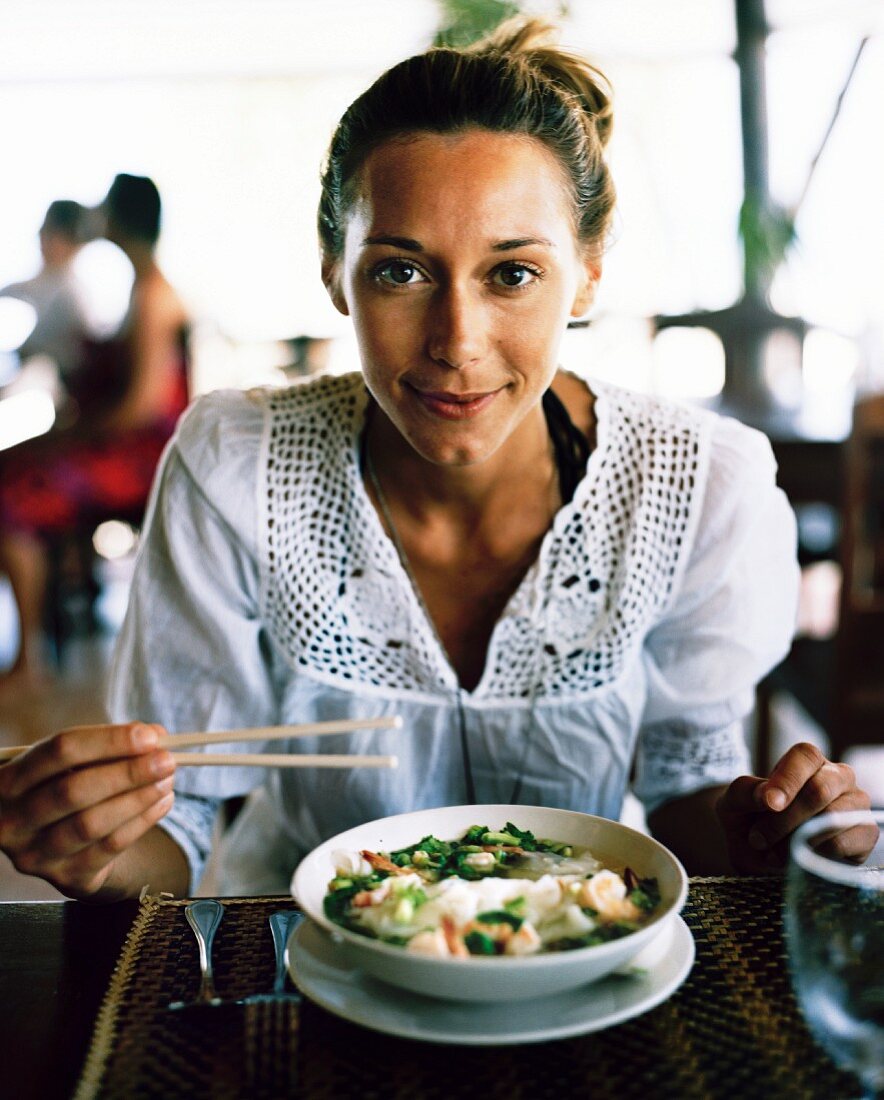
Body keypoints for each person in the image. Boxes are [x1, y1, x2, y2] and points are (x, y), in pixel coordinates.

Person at [0, 20, 874, 901]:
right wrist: (94, 851)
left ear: (590, 272)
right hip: (306, 955)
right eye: (401, 273)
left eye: (513, 274)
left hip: (583, 943)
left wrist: (764, 832)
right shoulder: (237, 466)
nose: (457, 342)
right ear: (335, 270)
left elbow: (689, 781)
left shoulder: (694, 485)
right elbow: (176, 825)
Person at [0, 174, 189, 692]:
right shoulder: (138, 287)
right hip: (124, 448)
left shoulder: (154, 294)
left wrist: (72, 434)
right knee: (13, 461)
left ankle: (30, 656)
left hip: (142, 459)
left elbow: (141, 408)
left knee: (12, 488)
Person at [0, 199, 97, 378]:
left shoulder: (74, 295)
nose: (42, 237)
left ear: (72, 242)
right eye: (44, 230)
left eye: (52, 232)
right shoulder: (38, 283)